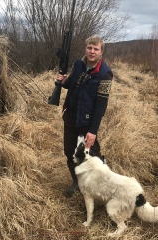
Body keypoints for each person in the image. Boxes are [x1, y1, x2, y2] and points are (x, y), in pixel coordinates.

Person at [57, 35, 113, 197]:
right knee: (69, 152)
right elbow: (72, 85)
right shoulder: (78, 64)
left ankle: (104, 188)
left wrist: (93, 131)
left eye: (96, 49)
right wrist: (63, 81)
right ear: (85, 48)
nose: (92, 51)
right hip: (70, 117)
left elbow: (101, 105)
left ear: (101, 52)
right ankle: (77, 182)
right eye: (89, 47)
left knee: (93, 157)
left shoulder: (105, 74)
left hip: (87, 123)